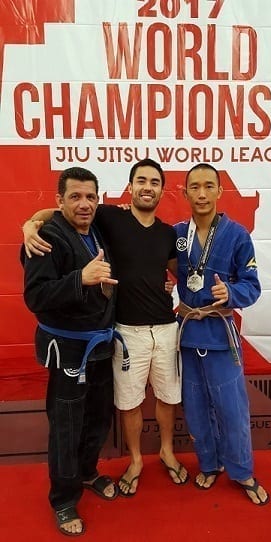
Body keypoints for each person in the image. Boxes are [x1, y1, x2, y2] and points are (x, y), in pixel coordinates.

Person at [22, 158, 189, 498]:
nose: (84, 204)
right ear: (129, 186)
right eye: (141, 180)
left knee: (129, 409)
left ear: (162, 189)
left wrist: (170, 287)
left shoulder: (154, 231)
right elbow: (55, 217)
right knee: (96, 414)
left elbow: (173, 270)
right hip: (100, 340)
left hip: (135, 334)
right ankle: (92, 484)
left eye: (154, 182)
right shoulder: (90, 223)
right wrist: (29, 225)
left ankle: (118, 465)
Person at [21, 167, 120, 536]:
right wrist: (81, 278)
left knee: (98, 417)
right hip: (67, 351)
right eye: (75, 197)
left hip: (99, 346)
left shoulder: (96, 227)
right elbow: (35, 296)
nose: (84, 204)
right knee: (66, 426)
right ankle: (63, 499)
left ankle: (87, 471)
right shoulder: (46, 237)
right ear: (59, 200)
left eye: (90, 197)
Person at [174, 163, 270, 505]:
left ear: (219, 191)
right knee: (196, 409)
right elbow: (143, 246)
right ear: (184, 193)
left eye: (208, 186)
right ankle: (210, 464)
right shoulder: (176, 235)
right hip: (187, 337)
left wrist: (230, 293)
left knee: (232, 409)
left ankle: (242, 470)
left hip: (219, 334)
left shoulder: (237, 235)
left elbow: (252, 286)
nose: (201, 193)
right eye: (194, 187)